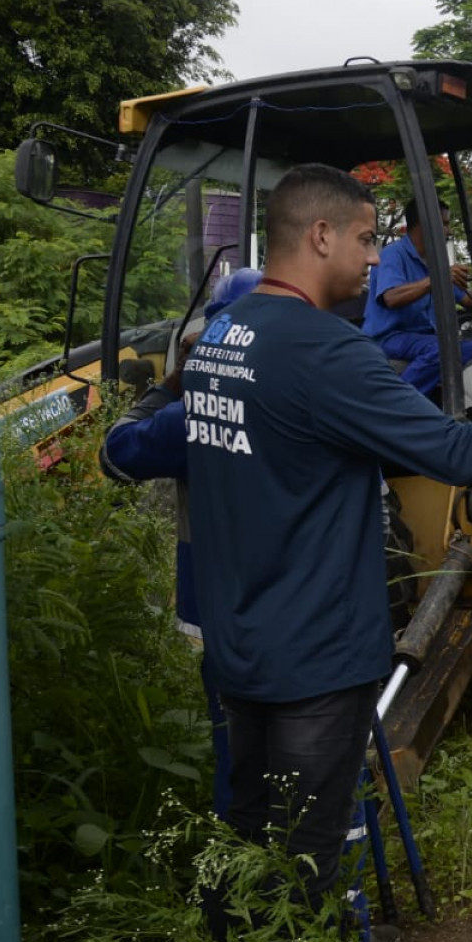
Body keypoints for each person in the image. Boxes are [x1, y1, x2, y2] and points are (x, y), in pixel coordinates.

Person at [184, 163, 472, 942]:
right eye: (363, 238)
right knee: (312, 847)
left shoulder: (223, 336)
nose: (371, 256)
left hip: (239, 636)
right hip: (315, 649)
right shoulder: (327, 350)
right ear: (319, 236)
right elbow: (455, 452)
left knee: (248, 821)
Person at [101, 266, 264, 821]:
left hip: (220, 612)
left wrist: (172, 383)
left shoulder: (189, 416)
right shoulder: (313, 394)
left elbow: (115, 454)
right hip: (307, 614)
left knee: (238, 758)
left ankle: (246, 875)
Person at [363, 197, 472, 396]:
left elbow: (467, 299)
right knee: (447, 350)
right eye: (445, 224)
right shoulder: (393, 254)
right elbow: (391, 297)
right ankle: (394, 404)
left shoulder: (433, 263)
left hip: (423, 339)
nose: (449, 231)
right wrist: (438, 277)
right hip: (389, 338)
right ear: (426, 223)